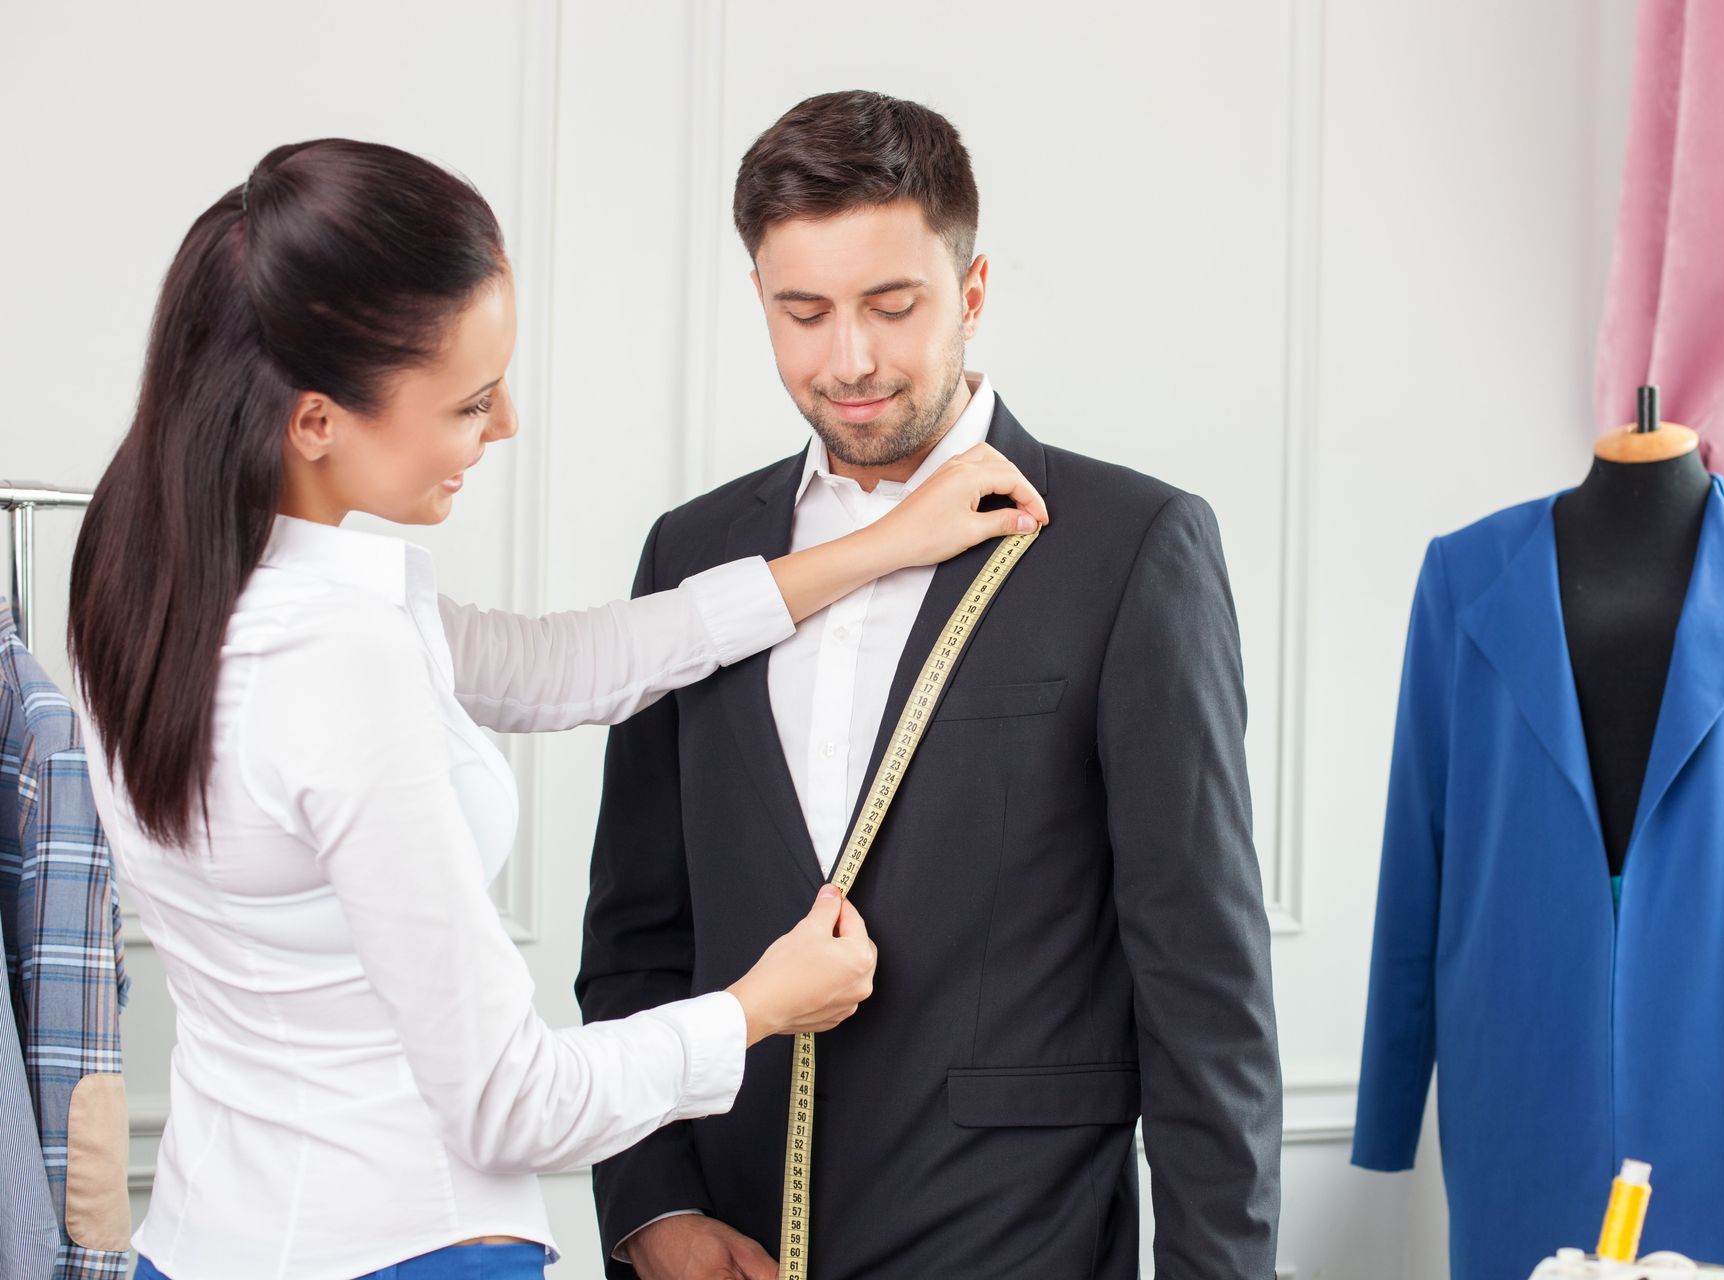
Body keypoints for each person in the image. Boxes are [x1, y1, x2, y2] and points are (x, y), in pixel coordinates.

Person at [65, 137, 1045, 1280]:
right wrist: (757, 1006)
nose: (507, 423)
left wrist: (877, 544)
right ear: (317, 420)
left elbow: (557, 665)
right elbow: (507, 1102)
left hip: (198, 1240)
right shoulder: (337, 656)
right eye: (471, 400)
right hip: (406, 1249)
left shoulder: (146, 581)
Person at [581, 92, 1283, 1280]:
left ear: (971, 289)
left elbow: (1203, 984)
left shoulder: (1131, 545)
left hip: (1019, 1243)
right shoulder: (695, 557)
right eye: (802, 311)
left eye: (891, 305)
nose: (847, 358)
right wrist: (650, 1209)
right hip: (732, 1240)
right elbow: (638, 934)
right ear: (758, 295)